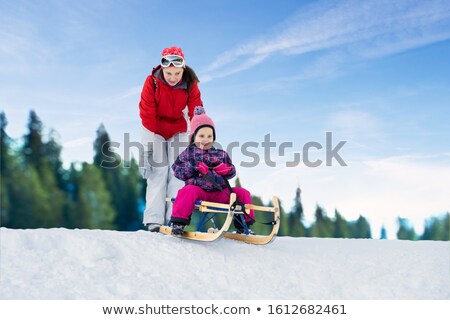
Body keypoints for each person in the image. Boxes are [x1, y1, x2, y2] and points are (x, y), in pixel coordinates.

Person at [139, 46, 203, 232]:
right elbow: (147, 116)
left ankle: (176, 218)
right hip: (155, 129)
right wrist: (147, 150)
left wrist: (198, 143)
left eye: (177, 73)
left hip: (179, 130)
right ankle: (154, 220)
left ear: (183, 70)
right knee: (158, 171)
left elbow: (196, 113)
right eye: (169, 73)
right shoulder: (152, 82)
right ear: (162, 69)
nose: (173, 77)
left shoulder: (191, 84)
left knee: (178, 172)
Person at [169, 107, 255, 236]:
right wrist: (194, 168)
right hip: (199, 192)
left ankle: (243, 226)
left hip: (220, 192)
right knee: (187, 191)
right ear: (193, 137)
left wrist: (227, 170)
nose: (206, 139)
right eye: (201, 136)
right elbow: (177, 170)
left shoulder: (220, 154)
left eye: (209, 136)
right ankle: (178, 223)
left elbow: (232, 171)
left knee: (243, 193)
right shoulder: (188, 153)